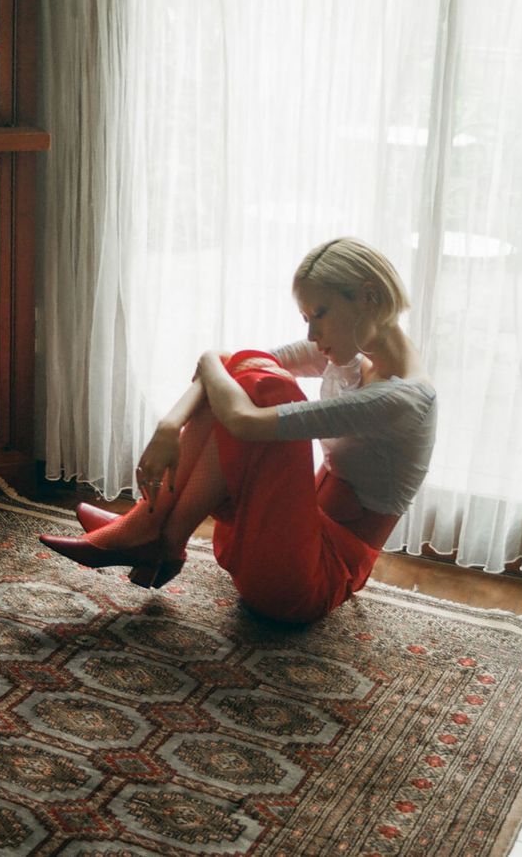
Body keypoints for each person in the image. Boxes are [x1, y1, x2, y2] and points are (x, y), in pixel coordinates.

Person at [40, 237, 437, 624]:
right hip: (275, 538)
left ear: (369, 297)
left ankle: (158, 537)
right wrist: (169, 424)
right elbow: (237, 366)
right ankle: (149, 528)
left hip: (308, 579)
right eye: (306, 320)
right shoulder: (352, 355)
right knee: (247, 376)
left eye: (320, 314)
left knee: (267, 389)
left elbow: (243, 418)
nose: (311, 335)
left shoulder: (403, 400)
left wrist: (208, 358)